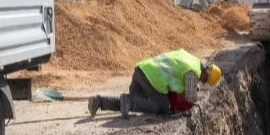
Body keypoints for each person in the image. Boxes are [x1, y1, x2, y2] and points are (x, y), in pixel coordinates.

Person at [88, 49, 222, 118]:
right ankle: (128, 101)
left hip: (142, 70)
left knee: (138, 103)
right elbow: (191, 98)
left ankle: (99, 101)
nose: (201, 81)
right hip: (151, 79)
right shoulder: (193, 71)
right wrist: (195, 89)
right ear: (206, 76)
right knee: (163, 107)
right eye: (203, 81)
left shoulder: (190, 58)